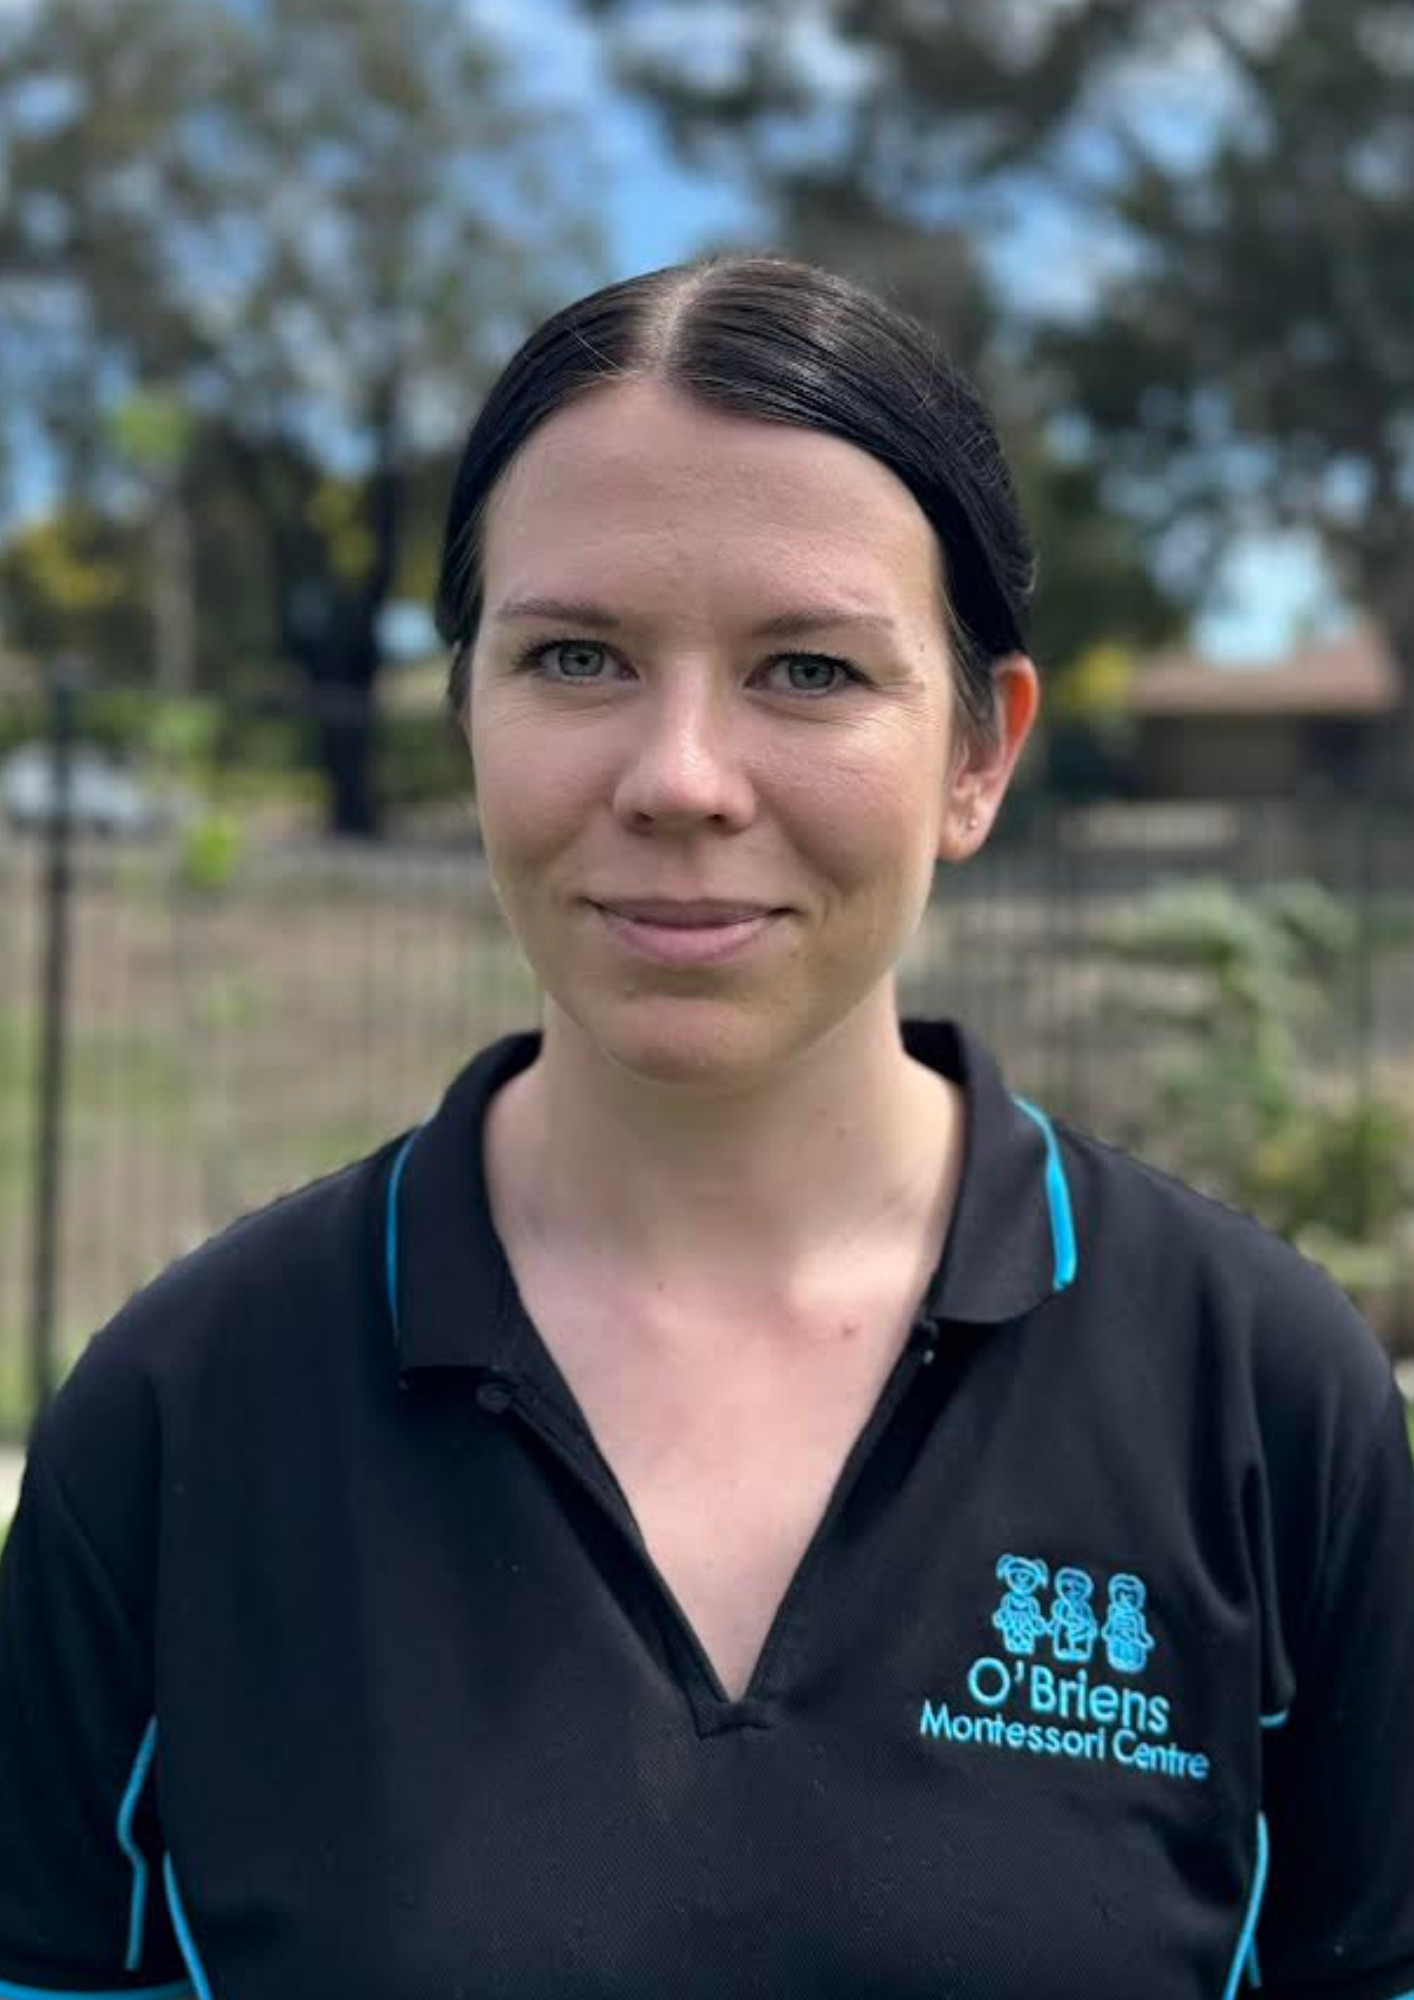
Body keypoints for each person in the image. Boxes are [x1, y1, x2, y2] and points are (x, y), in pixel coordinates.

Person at [1, 251, 1411, 2000]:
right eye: (577, 655)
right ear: (467, 718)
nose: (678, 776)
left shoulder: (1260, 1397)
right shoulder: (177, 1418)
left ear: (980, 752)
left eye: (808, 670)